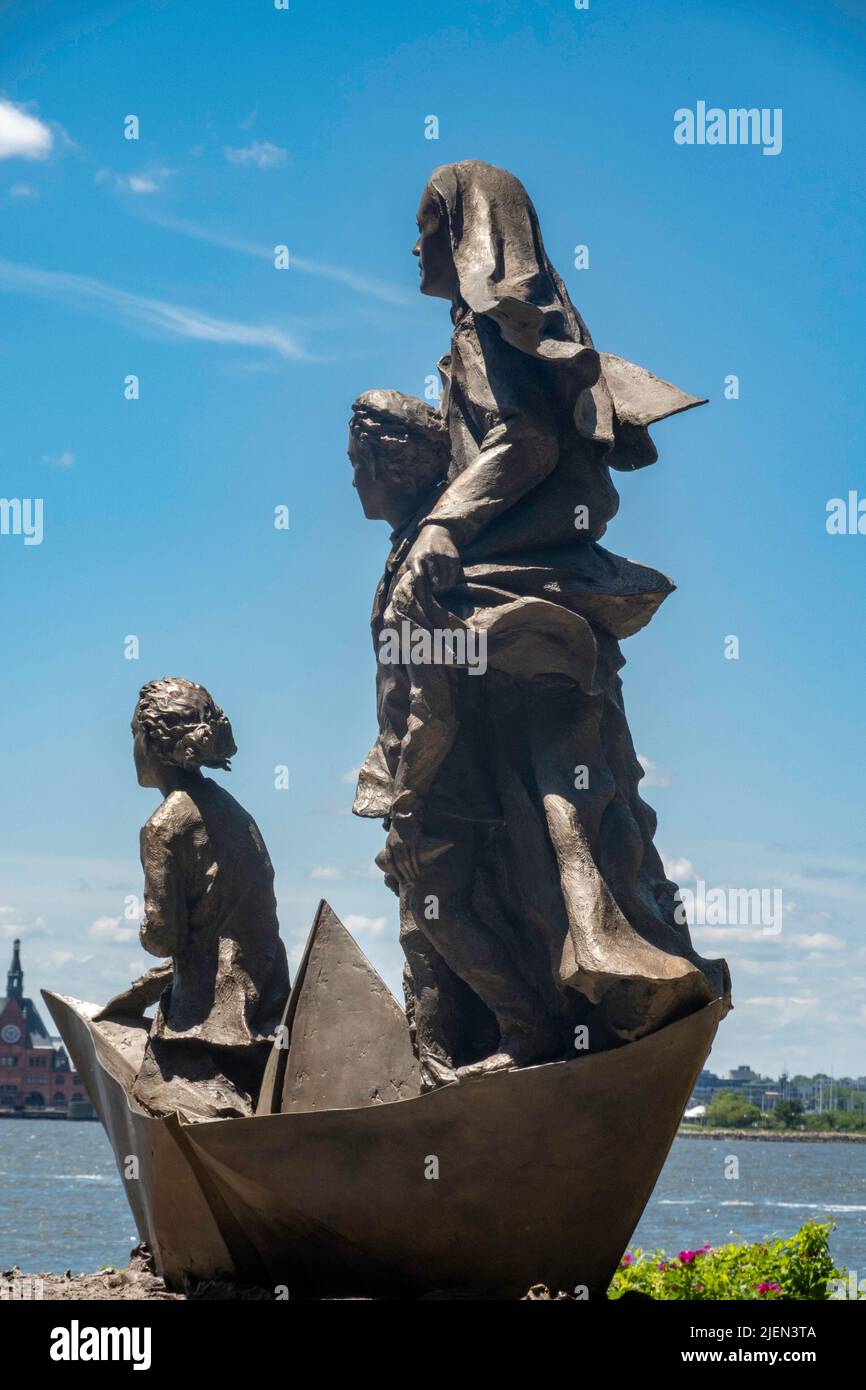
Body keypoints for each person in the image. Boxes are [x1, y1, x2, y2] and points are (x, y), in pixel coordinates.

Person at [354, 161, 729, 1067]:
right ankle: (551, 1011)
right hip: (523, 596)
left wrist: (444, 524)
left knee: (507, 813)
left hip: (506, 599)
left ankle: (556, 1012)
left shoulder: (494, 331)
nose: (411, 245)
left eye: (425, 226)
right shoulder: (483, 335)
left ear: (465, 235)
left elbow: (524, 441)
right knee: (536, 808)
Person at [107, 677, 290, 1117]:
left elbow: (163, 938)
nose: (132, 747)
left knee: (173, 1107)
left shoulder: (164, 827)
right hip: (267, 1005)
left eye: (135, 733)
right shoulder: (231, 809)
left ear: (151, 742)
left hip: (205, 1023)